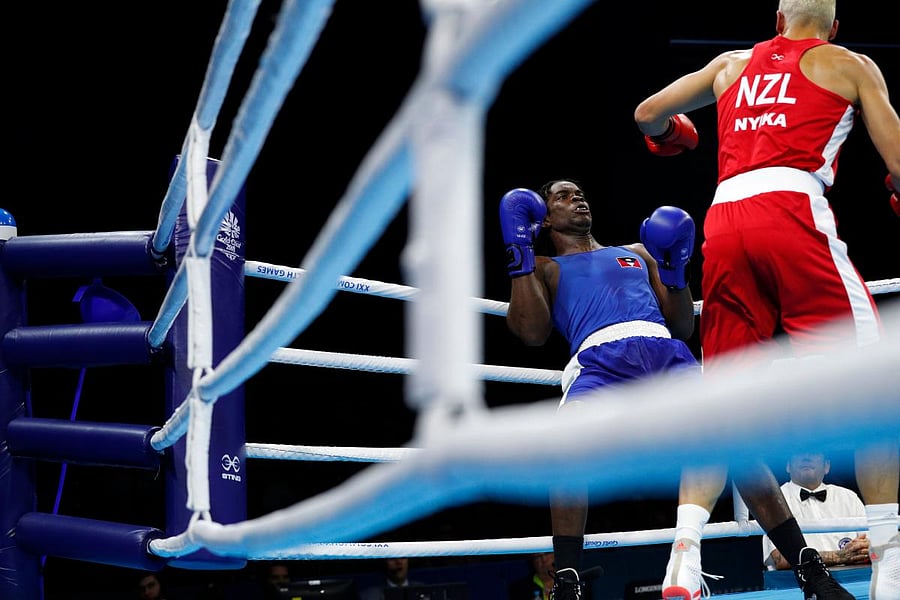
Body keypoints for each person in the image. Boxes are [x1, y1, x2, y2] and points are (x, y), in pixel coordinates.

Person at [634, 1, 900, 599]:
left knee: (722, 405)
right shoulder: (848, 63)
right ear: (833, 26)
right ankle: (891, 569)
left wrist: (676, 139)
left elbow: (648, 113)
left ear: (777, 20)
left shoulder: (730, 65)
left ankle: (682, 560)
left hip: (724, 221)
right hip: (793, 212)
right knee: (880, 391)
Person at [500, 180, 701, 599]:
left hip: (663, 349)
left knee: (734, 438)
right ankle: (568, 581)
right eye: (563, 196)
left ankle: (806, 564)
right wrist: (518, 254)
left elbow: (681, 326)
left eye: (579, 193)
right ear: (544, 217)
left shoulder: (639, 252)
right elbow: (532, 333)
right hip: (600, 360)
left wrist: (676, 271)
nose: (578, 199)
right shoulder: (543, 266)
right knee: (568, 449)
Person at [762, 451, 869, 570]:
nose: (806, 457)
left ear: (826, 466)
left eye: (814, 452)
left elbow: (872, 547)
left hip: (855, 580)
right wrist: (839, 556)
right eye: (799, 452)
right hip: (795, 584)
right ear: (788, 466)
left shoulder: (849, 498)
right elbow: (782, 559)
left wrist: (867, 549)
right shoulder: (773, 501)